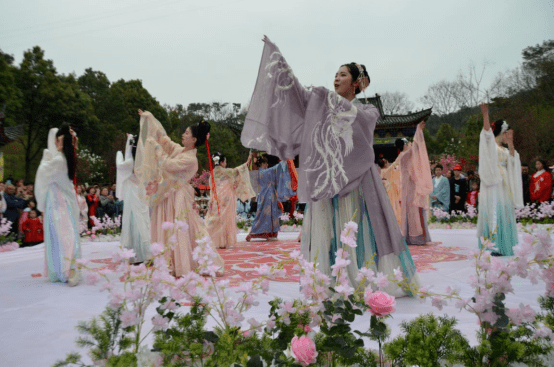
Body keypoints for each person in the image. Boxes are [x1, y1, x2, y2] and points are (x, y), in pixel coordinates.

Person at [240, 36, 420, 296]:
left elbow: (358, 125)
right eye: (335, 74)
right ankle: (332, 277)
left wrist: (325, 100)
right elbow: (299, 97)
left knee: (357, 225)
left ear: (357, 83)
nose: (336, 79)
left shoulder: (368, 111)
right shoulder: (321, 104)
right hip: (327, 176)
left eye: (343, 75)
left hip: (358, 179)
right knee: (330, 224)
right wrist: (279, 63)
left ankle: (361, 275)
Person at [135, 110, 224, 277]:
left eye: (186, 133)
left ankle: (183, 263)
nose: (183, 135)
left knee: (180, 230)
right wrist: (150, 118)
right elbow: (165, 140)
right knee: (172, 229)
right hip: (168, 195)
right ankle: (169, 262)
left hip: (178, 198)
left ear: (194, 140)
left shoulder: (191, 159)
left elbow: (168, 165)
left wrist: (156, 148)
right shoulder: (180, 150)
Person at [35, 124, 81, 285]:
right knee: (60, 233)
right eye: (57, 140)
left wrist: (44, 158)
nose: (56, 143)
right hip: (57, 199)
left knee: (64, 233)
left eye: (60, 141)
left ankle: (69, 268)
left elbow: (43, 173)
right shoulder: (65, 159)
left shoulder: (59, 160)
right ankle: (65, 268)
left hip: (58, 200)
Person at [477, 104, 523, 256]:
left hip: (505, 184)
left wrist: (510, 143)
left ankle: (506, 245)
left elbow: (513, 160)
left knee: (505, 210)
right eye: (506, 134)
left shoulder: (504, 149)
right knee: (495, 210)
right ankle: (495, 244)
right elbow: (486, 134)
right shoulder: (492, 146)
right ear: (501, 132)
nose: (508, 135)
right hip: (494, 182)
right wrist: (485, 114)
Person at [205, 152, 255, 248]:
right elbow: (239, 170)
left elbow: (212, 188)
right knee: (225, 218)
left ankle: (214, 240)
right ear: (222, 162)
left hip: (215, 199)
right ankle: (223, 241)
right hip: (225, 198)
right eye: (225, 162)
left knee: (216, 219)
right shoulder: (226, 171)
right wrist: (248, 161)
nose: (226, 164)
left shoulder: (212, 174)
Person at [396, 123, 434, 246]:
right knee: (413, 211)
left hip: (408, 187)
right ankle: (415, 237)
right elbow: (417, 146)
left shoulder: (403, 156)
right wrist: (418, 131)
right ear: (404, 146)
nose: (409, 145)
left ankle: (413, 236)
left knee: (412, 210)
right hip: (410, 188)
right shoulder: (405, 155)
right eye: (407, 143)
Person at [116, 134, 151, 264]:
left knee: (134, 221)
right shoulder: (144, 162)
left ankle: (136, 254)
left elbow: (120, 165)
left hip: (133, 193)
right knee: (143, 221)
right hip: (142, 193)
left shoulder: (129, 162)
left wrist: (119, 154)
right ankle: (145, 253)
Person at [245, 156, 294, 241]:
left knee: (263, 215)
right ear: (263, 163)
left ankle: (268, 233)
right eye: (266, 163)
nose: (267, 165)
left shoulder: (260, 172)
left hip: (265, 195)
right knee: (265, 215)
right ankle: (255, 233)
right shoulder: (264, 172)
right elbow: (275, 168)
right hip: (268, 196)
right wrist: (282, 162)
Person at [380, 156, 402, 227]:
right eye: (387, 162)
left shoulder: (382, 171)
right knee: (393, 205)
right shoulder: (385, 171)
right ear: (385, 164)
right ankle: (394, 221)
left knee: (393, 204)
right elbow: (394, 164)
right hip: (390, 190)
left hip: (388, 189)